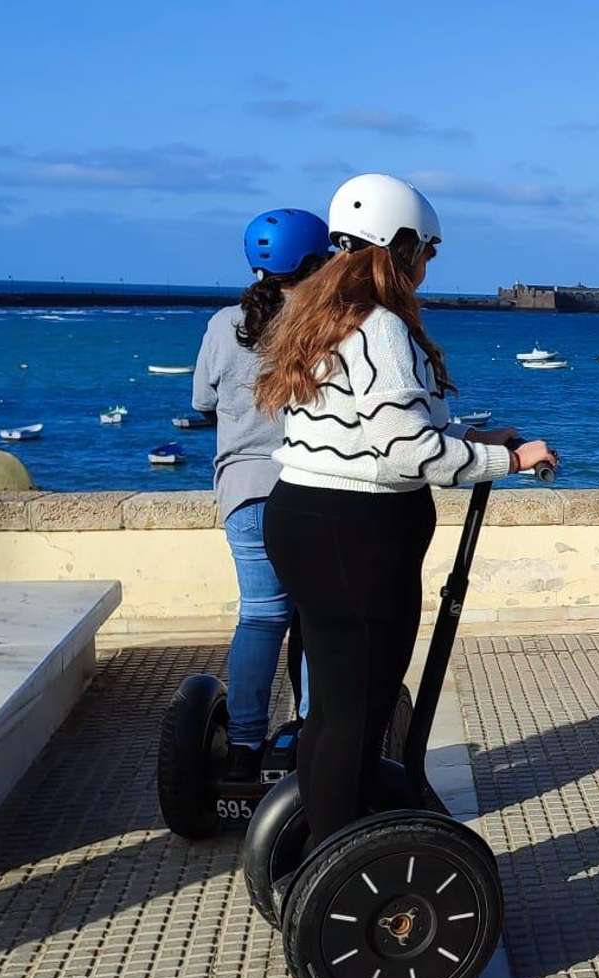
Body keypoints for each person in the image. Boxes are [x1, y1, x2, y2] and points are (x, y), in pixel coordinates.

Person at [256, 173, 555, 851]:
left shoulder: (322, 315)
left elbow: (373, 431)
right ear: (401, 247)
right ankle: (347, 875)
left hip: (303, 518)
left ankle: (324, 853)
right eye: (426, 252)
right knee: (357, 716)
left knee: (333, 712)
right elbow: (407, 456)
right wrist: (506, 461)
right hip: (356, 537)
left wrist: (476, 439)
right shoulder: (383, 327)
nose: (427, 267)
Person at [191, 207, 328, 780]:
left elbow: (202, 400)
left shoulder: (225, 323)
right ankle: (308, 733)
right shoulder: (326, 321)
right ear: (317, 262)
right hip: (311, 489)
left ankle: (244, 744)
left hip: (244, 492)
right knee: (317, 617)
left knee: (261, 618)